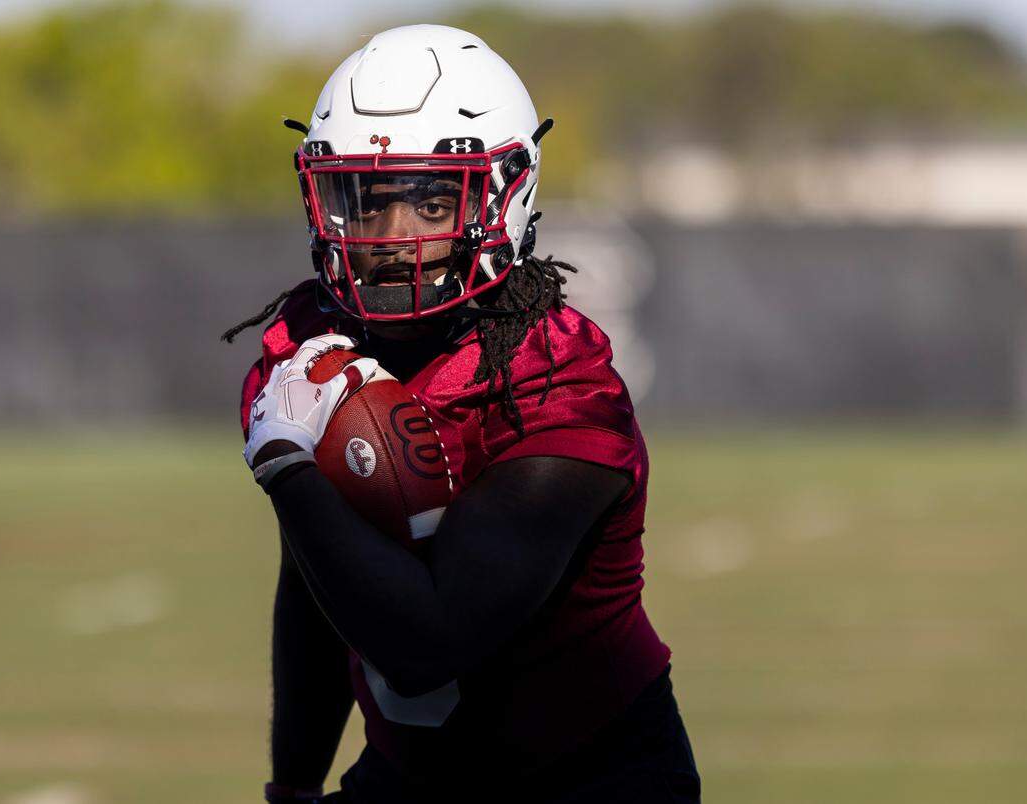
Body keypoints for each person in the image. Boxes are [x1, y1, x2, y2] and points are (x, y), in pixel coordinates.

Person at [224, 24, 700, 804]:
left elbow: (429, 643)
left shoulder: (558, 382)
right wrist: (295, 787)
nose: (391, 238)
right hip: (412, 776)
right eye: (364, 199)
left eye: (432, 199)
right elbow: (316, 587)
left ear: (506, 194)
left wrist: (289, 469)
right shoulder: (313, 342)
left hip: (587, 777)